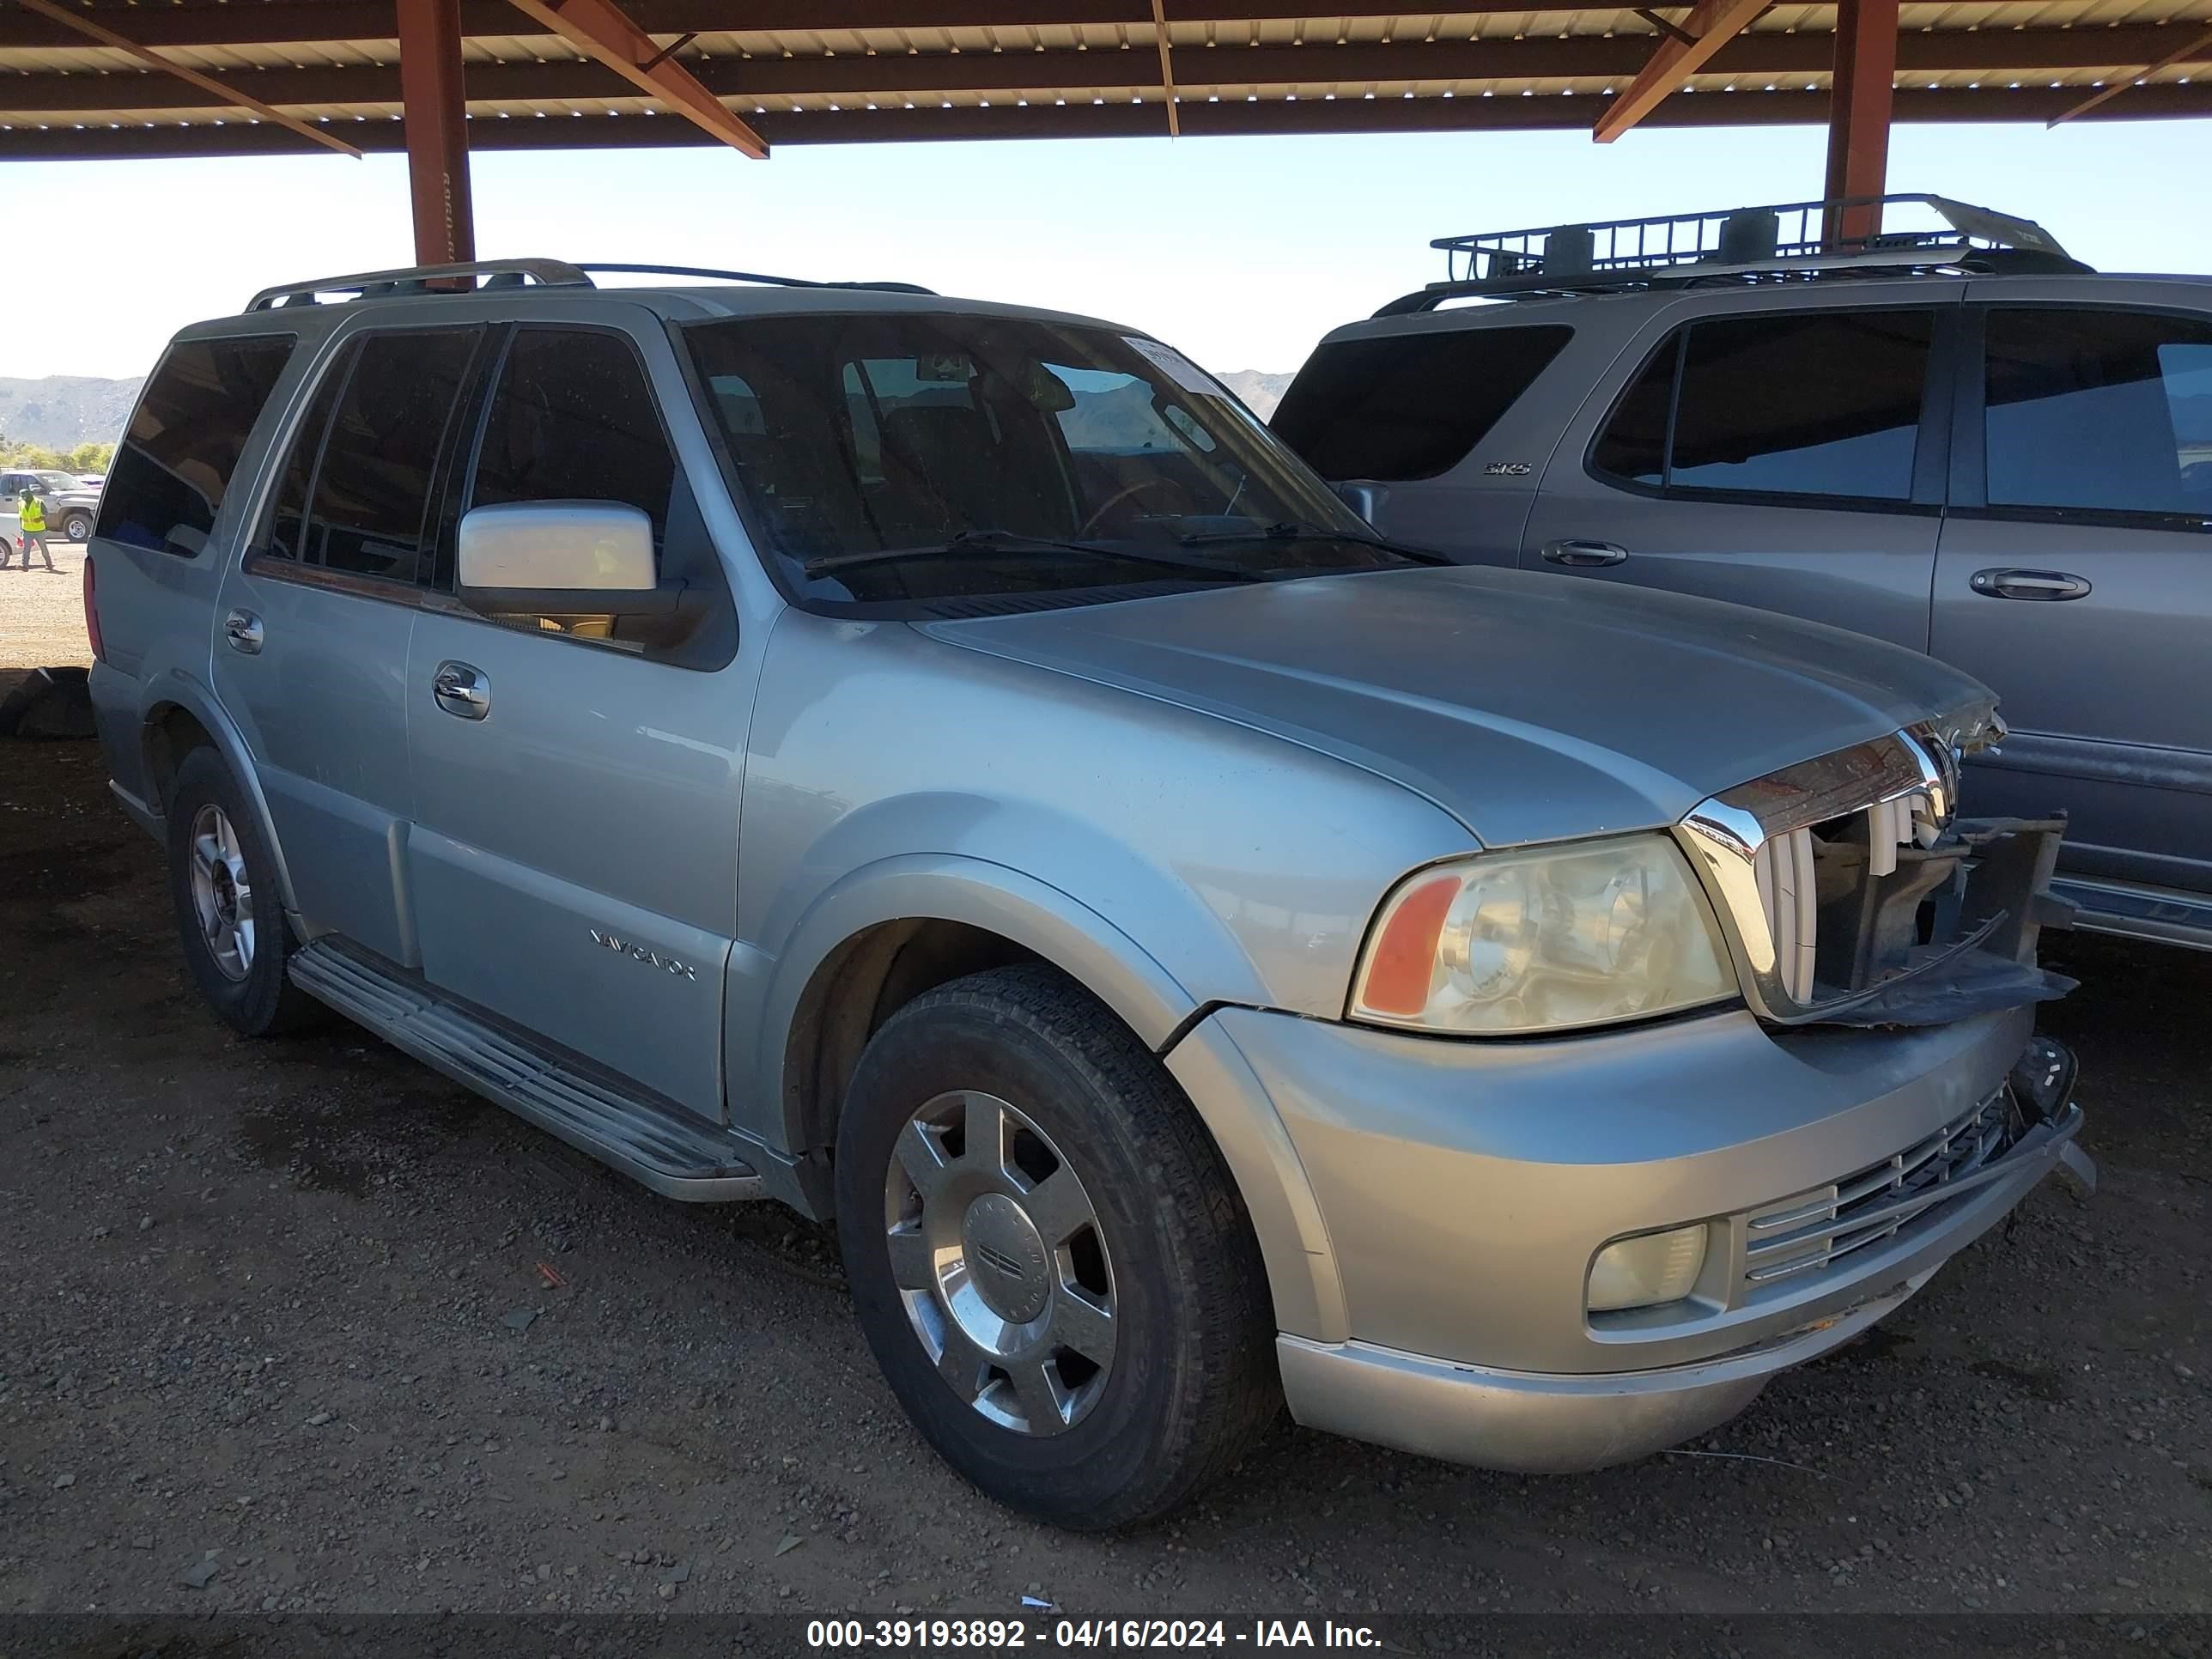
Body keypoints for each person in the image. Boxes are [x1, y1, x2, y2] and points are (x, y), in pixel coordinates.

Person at [16, 488, 53, 571]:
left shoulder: (39, 502)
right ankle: (24, 565)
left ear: (30, 495)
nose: (24, 500)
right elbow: (21, 517)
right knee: (26, 548)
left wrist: (40, 518)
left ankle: (49, 564)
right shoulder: (20, 503)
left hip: (39, 530)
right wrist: (21, 530)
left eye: (25, 498)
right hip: (27, 530)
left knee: (43, 548)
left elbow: (46, 514)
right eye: (23, 498)